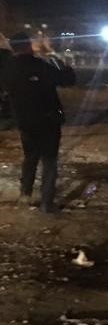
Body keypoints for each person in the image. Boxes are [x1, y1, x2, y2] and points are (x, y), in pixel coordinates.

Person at [0, 32, 76, 212]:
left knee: (30, 157)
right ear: (29, 46)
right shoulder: (41, 66)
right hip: (48, 120)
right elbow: (68, 79)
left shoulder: (8, 69)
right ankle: (46, 203)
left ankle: (25, 194)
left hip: (24, 121)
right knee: (49, 160)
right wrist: (56, 56)